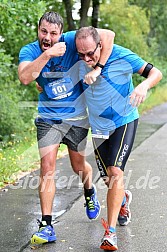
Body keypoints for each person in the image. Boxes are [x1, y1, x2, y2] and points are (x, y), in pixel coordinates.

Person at [18, 12, 115, 245]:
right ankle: (46, 225)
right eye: (44, 32)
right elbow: (24, 77)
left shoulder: (71, 40)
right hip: (48, 118)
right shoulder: (30, 51)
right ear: (38, 29)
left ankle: (89, 191)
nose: (48, 37)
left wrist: (98, 68)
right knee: (47, 166)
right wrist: (48, 54)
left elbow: (108, 35)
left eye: (53, 33)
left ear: (61, 33)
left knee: (78, 166)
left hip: (77, 117)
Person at [75, 26, 162, 251]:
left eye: (90, 54)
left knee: (115, 172)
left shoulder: (121, 55)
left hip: (124, 120)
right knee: (109, 181)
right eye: (81, 55)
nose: (86, 59)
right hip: (99, 128)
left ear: (100, 45)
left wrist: (143, 86)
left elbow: (156, 73)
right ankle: (122, 200)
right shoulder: (79, 64)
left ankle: (110, 233)